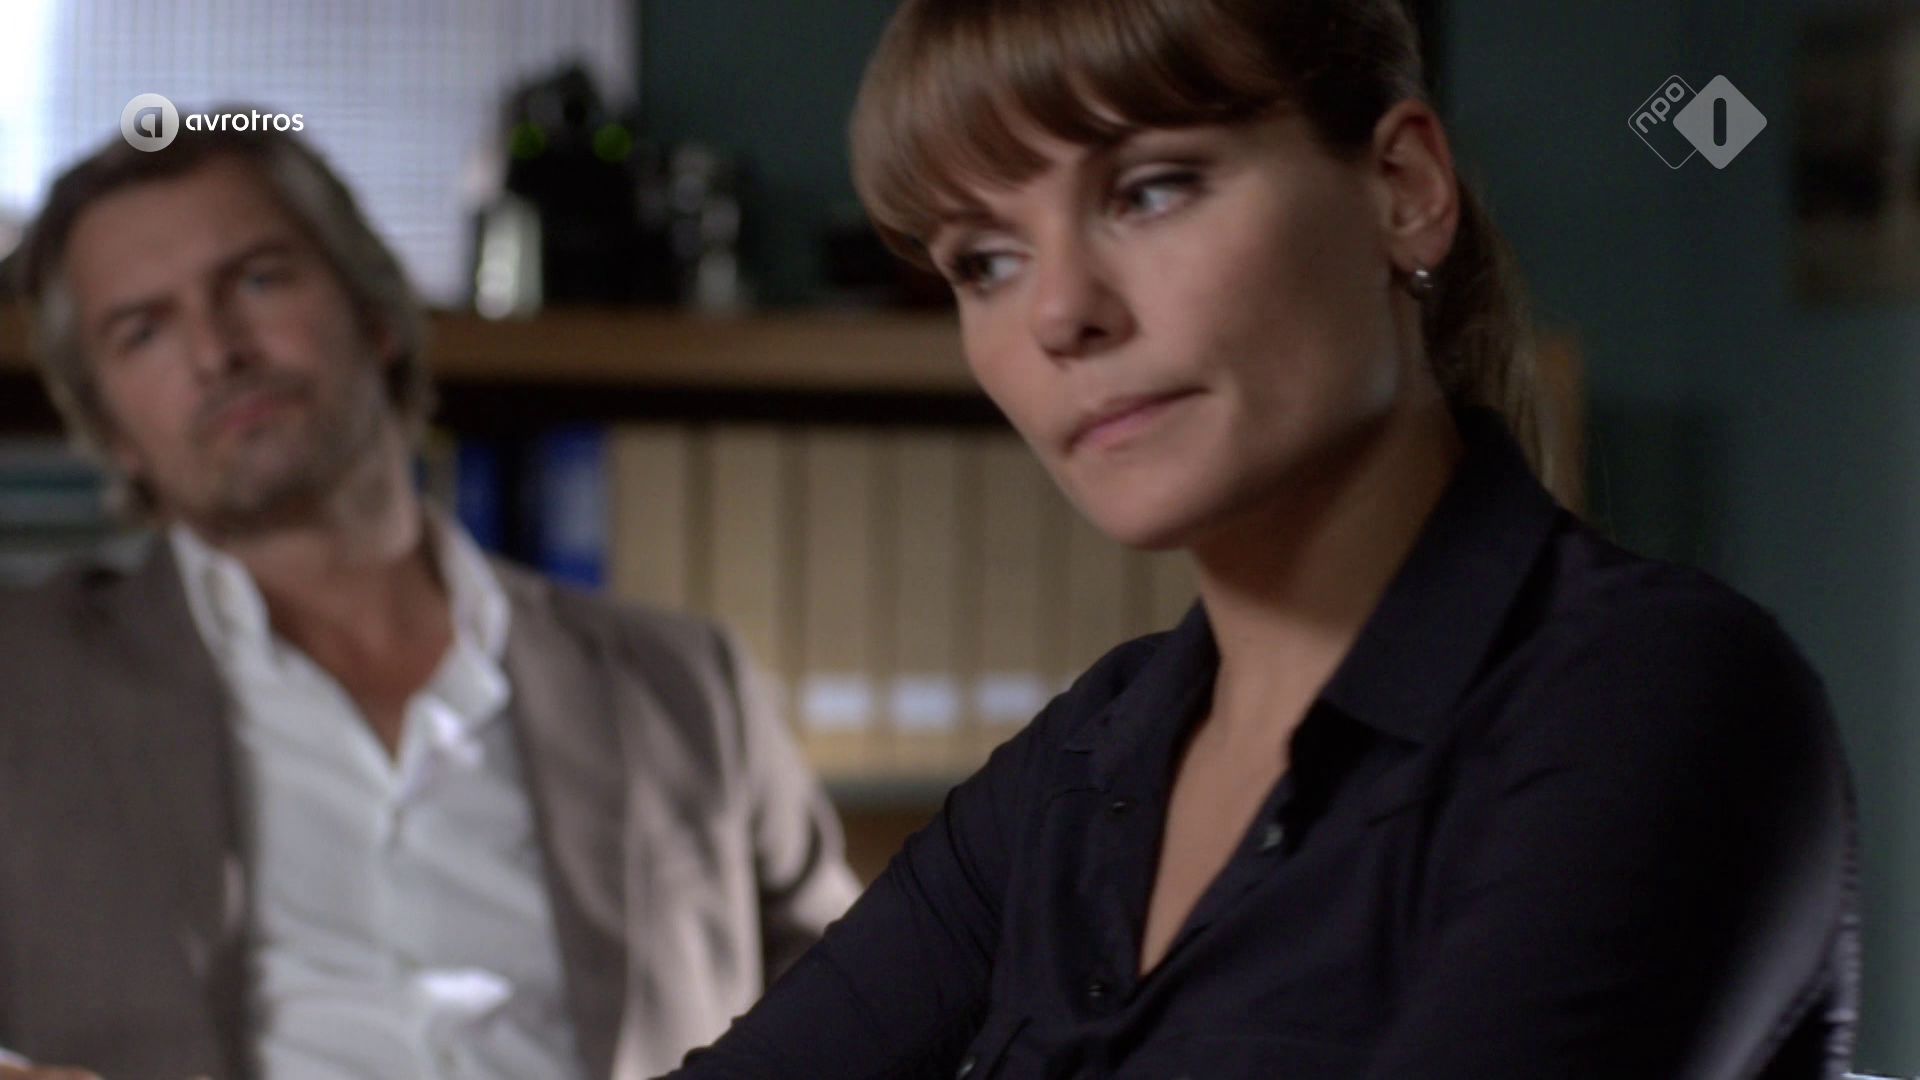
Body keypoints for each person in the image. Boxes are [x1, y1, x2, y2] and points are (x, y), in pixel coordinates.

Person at [662, 1, 1858, 1077]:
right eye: (987, 261)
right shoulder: (1083, 760)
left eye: (1150, 191)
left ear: (1403, 189)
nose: (1061, 313)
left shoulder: (1652, 698)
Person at [0, 117, 860, 1080]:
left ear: (375, 310)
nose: (216, 350)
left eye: (258, 280)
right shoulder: (20, 680)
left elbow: (875, 1015)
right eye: (143, 330)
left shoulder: (682, 681)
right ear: (110, 428)